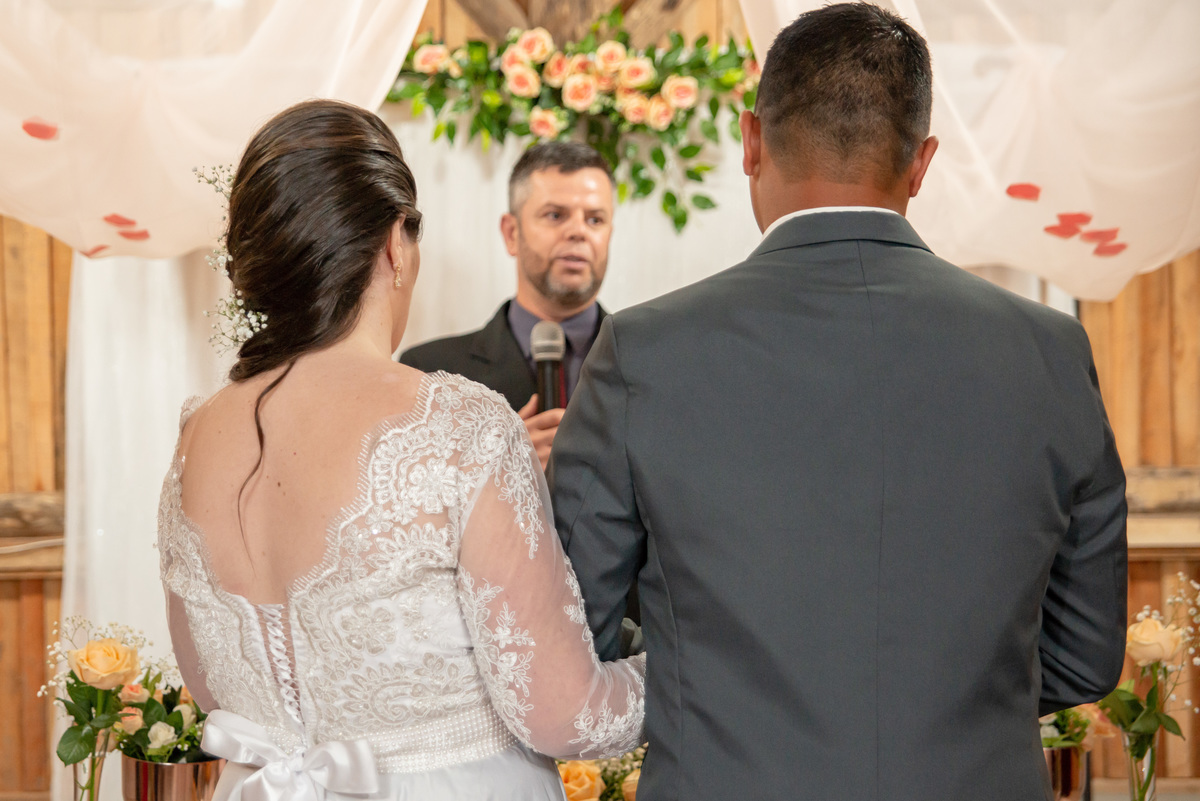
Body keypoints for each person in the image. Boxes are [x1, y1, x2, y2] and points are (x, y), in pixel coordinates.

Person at [548, 5, 1127, 801]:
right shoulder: (1051, 350)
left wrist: (707, 681)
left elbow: (573, 622)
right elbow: (1085, 655)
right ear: (922, 164)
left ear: (751, 141)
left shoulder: (644, 350)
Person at [157, 99, 644, 801]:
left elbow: (211, 689)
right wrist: (685, 671)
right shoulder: (458, 424)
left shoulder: (195, 439)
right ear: (395, 244)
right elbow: (565, 713)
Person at [400, 142, 615, 471]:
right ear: (512, 233)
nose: (578, 232)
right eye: (555, 215)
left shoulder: (652, 363)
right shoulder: (430, 373)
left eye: (595, 219)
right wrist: (492, 468)